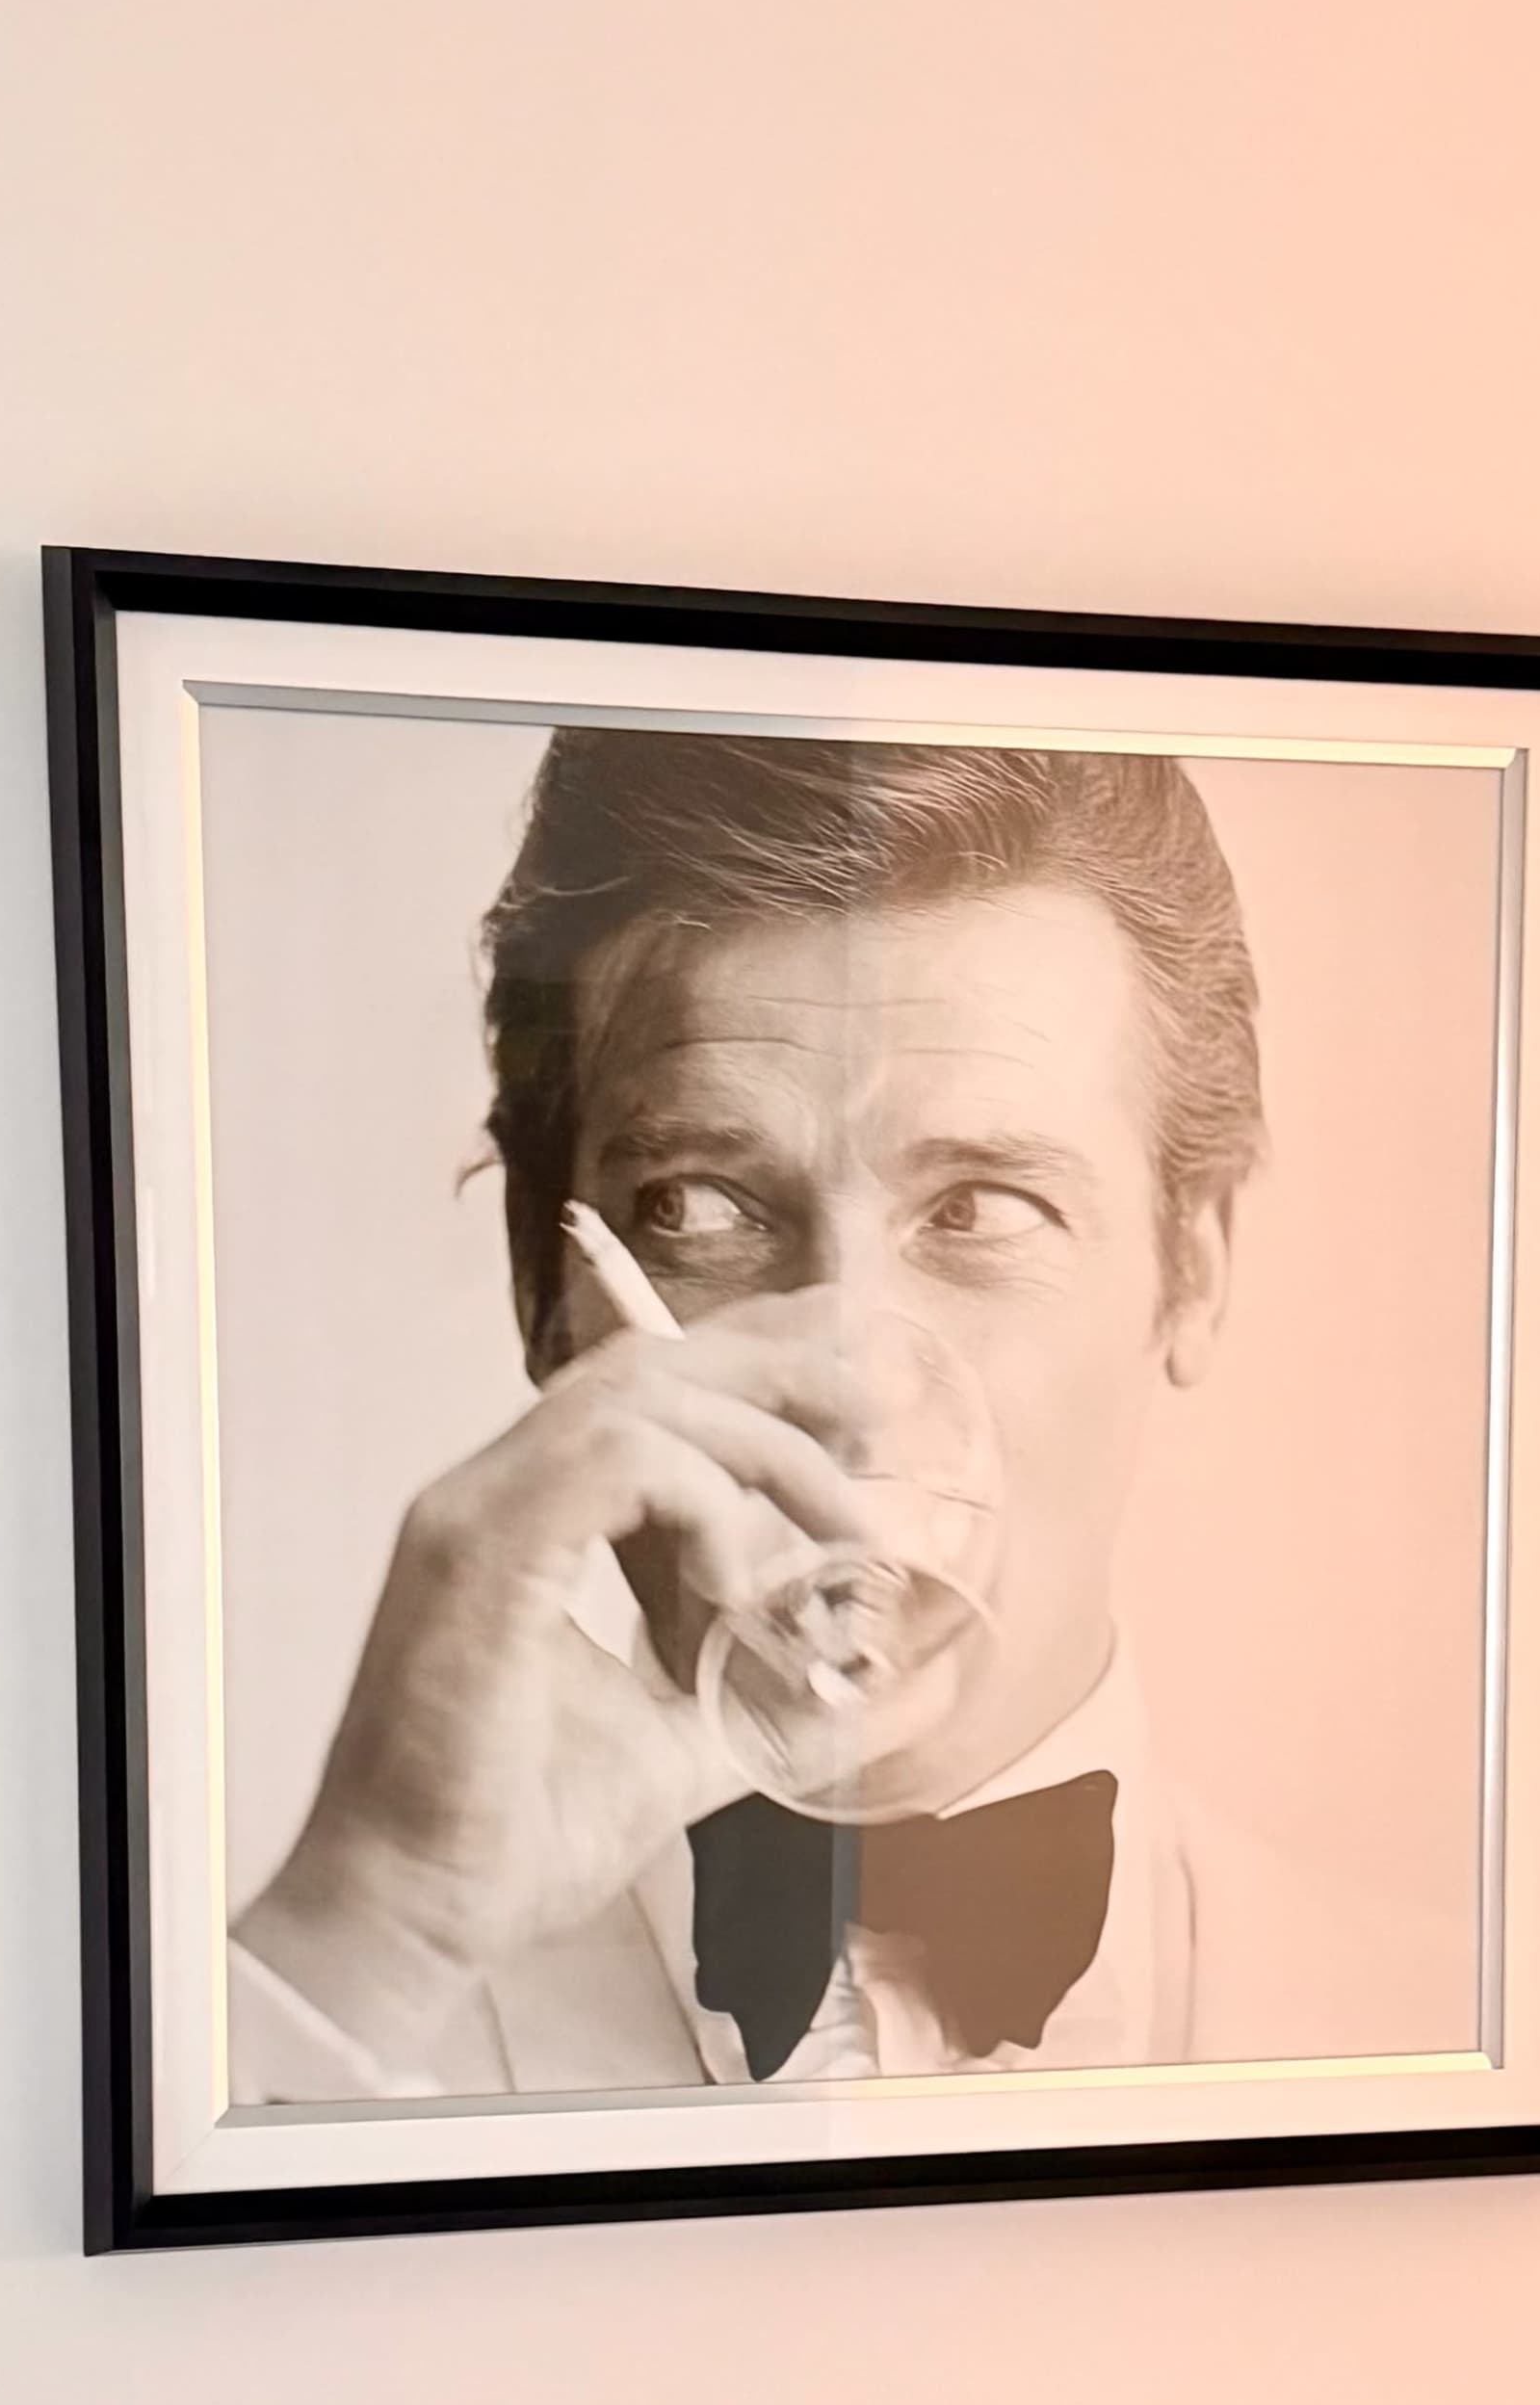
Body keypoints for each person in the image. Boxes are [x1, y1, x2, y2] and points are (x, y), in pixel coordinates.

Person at [227, 729, 1439, 2097]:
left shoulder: (1442, 2018)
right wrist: (374, 1927)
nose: (850, 1391)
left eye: (983, 1208)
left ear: (1193, 1269)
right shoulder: (296, 2038)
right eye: (698, 1207)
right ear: (539, 1284)